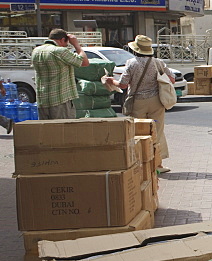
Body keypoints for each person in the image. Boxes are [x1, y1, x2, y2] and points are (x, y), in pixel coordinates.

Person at [105, 35, 175, 173]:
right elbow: (171, 79)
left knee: (138, 132)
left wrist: (111, 81)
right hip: (157, 102)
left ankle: (140, 163)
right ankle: (158, 165)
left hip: (138, 102)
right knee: (157, 131)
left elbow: (123, 85)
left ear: (135, 50)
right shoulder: (159, 62)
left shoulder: (131, 63)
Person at [32, 29, 89, 119]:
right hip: (60, 100)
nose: (66, 46)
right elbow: (84, 62)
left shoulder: (36, 51)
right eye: (66, 43)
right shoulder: (59, 51)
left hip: (42, 100)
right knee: (63, 130)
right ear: (62, 40)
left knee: (46, 131)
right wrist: (76, 45)